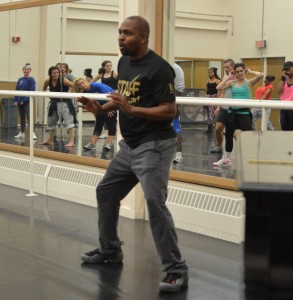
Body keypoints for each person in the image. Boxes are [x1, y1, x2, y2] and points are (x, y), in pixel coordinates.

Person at [78, 15, 188, 293]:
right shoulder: (123, 62)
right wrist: (99, 109)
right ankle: (110, 250)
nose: (121, 37)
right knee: (106, 192)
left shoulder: (160, 69)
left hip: (155, 145)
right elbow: (123, 98)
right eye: (119, 32)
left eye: (127, 33)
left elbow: (169, 110)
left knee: (154, 203)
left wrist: (131, 110)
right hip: (129, 146)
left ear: (142, 37)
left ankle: (176, 270)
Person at [214, 63, 263, 166]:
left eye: (241, 71)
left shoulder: (249, 82)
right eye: (237, 71)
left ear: (244, 71)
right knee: (228, 135)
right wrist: (228, 77)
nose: (240, 73)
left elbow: (260, 75)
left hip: (244, 113)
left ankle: (251, 158)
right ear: (235, 72)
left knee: (247, 136)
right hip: (232, 112)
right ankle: (227, 159)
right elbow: (219, 87)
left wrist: (249, 72)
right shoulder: (232, 83)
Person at [73, 78, 117, 151]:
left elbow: (110, 95)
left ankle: (109, 143)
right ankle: (92, 143)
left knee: (111, 122)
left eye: (82, 83)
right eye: (79, 85)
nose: (82, 85)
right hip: (100, 105)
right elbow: (93, 102)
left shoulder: (97, 85)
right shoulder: (85, 92)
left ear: (86, 81)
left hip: (112, 102)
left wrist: (110, 108)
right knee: (98, 123)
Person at [40, 66, 76, 147]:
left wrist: (70, 93)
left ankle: (71, 141)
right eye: (54, 73)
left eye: (57, 73)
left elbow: (74, 86)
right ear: (50, 74)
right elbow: (44, 89)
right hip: (54, 103)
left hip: (65, 102)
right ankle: (49, 140)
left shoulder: (63, 80)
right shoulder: (47, 80)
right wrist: (50, 96)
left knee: (69, 121)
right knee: (51, 121)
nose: (56, 74)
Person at [210, 59, 235, 153]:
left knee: (234, 133)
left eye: (228, 67)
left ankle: (243, 149)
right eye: (224, 67)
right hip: (224, 108)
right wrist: (219, 106)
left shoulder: (238, 77)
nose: (226, 69)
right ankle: (220, 146)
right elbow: (221, 92)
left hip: (234, 108)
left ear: (233, 67)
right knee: (218, 129)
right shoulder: (225, 78)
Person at [92, 60, 118, 139]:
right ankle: (106, 132)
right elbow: (91, 82)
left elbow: (121, 82)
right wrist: (95, 91)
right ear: (104, 67)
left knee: (111, 115)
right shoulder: (101, 74)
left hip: (112, 96)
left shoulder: (114, 73)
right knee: (103, 113)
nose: (109, 67)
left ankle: (111, 133)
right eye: (107, 66)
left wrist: (117, 91)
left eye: (110, 65)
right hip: (103, 97)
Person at [14, 63, 37, 140]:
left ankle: (32, 133)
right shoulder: (20, 79)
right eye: (25, 69)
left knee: (29, 117)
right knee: (22, 117)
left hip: (27, 102)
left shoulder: (31, 80)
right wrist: (16, 100)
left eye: (28, 69)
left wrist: (24, 101)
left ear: (30, 71)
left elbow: (31, 91)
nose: (26, 71)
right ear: (23, 70)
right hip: (19, 102)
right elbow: (17, 90)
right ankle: (22, 132)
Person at [172, 62, 185, 163]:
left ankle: (178, 154)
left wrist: (176, 105)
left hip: (173, 99)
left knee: (176, 126)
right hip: (162, 99)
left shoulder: (175, 68)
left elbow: (179, 89)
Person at [203, 67, 221, 134]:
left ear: (214, 73)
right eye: (209, 72)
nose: (210, 73)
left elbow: (219, 91)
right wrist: (205, 96)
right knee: (208, 113)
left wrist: (217, 98)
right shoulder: (207, 81)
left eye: (211, 72)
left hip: (214, 98)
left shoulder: (218, 81)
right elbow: (206, 90)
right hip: (208, 98)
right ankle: (209, 128)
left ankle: (217, 127)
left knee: (215, 113)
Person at [277, 61, 293, 130]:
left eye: (288, 69)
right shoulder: (284, 80)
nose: (286, 71)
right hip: (284, 107)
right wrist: (283, 78)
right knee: (285, 129)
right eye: (285, 70)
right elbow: (278, 91)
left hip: (292, 107)